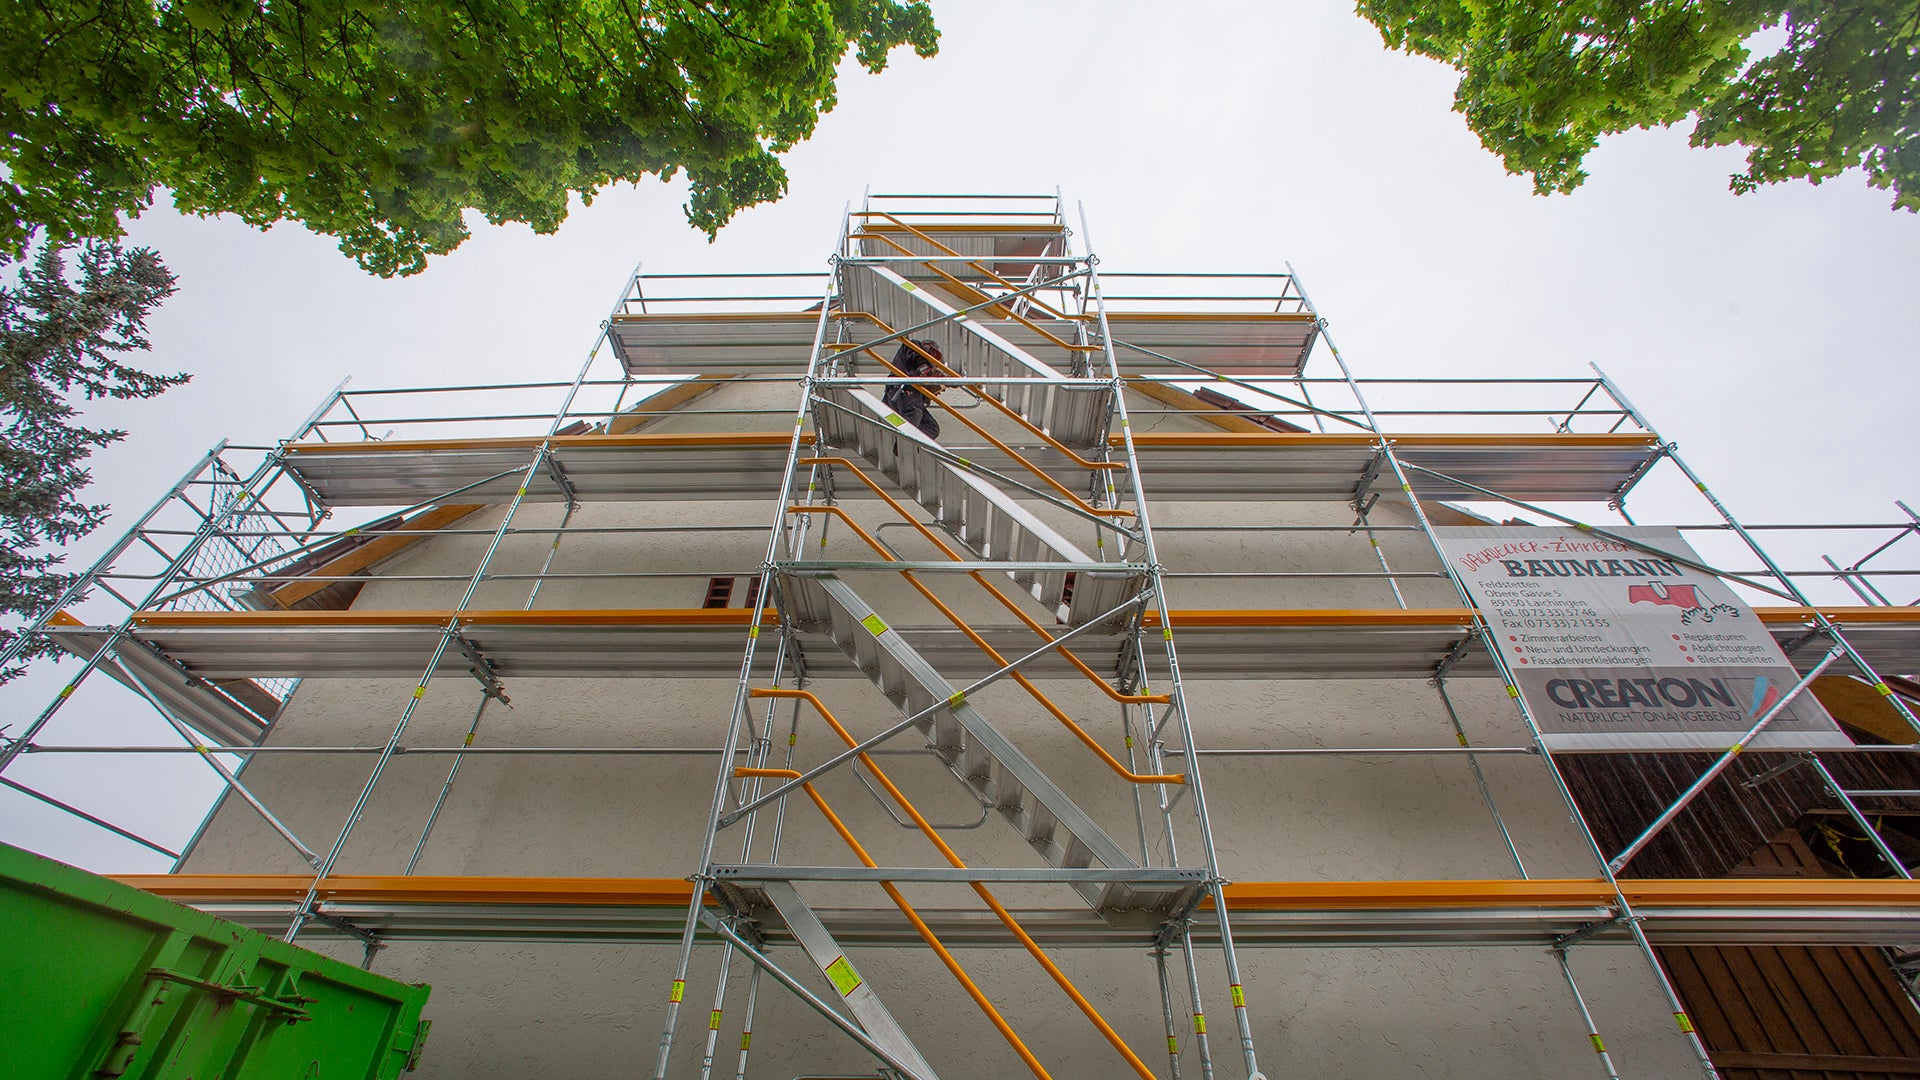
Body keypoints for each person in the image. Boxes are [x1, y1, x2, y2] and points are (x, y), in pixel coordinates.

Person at [880, 339, 945, 440]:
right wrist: (928, 370)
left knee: (931, 428)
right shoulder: (913, 345)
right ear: (926, 346)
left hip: (903, 396)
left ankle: (907, 447)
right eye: (931, 354)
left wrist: (930, 392)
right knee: (913, 415)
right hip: (902, 388)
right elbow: (915, 356)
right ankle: (903, 449)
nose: (932, 358)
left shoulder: (922, 372)